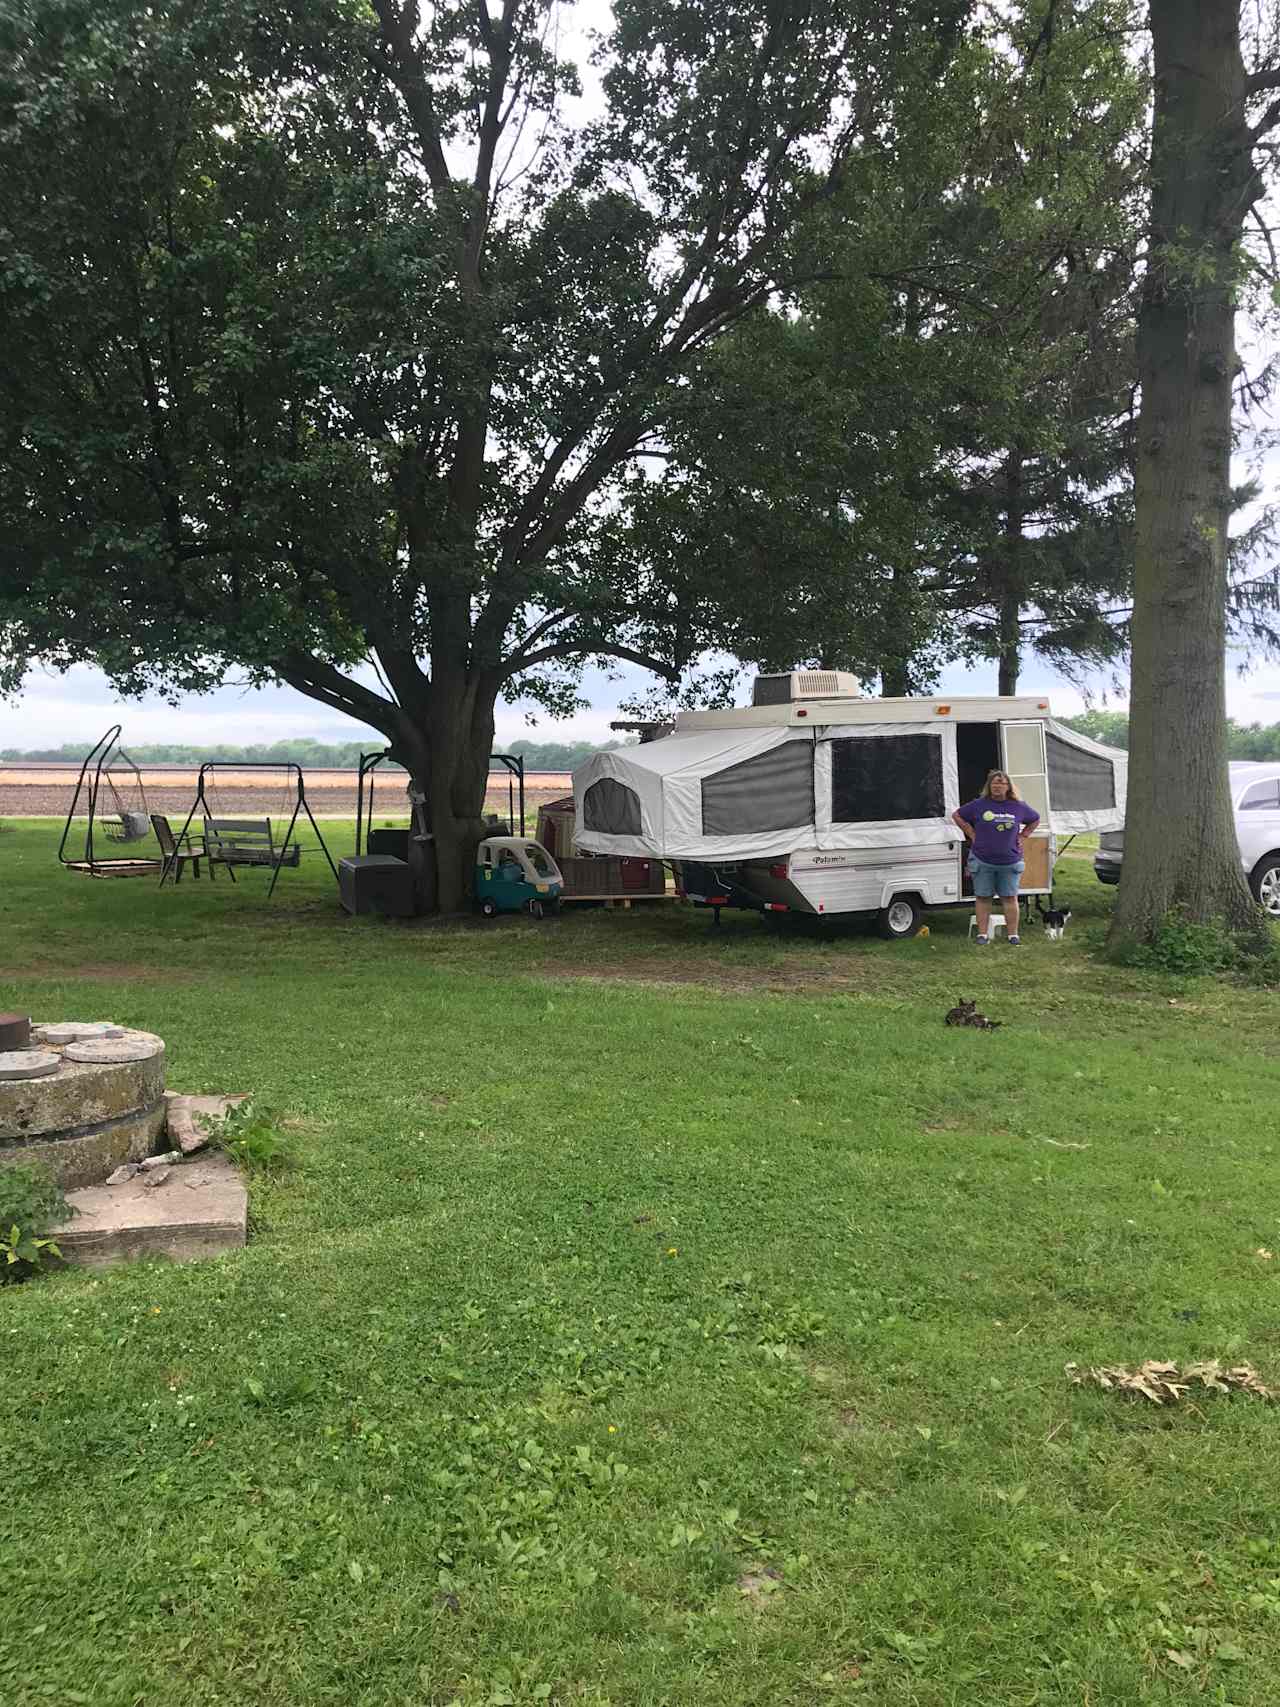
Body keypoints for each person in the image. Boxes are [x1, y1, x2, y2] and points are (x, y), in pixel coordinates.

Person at [952, 770, 1040, 945]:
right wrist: (970, 832)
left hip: (1010, 861)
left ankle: (1013, 935)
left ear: (1008, 787)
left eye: (1001, 783)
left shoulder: (1019, 806)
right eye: (994, 783)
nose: (997, 786)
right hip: (982, 859)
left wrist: (1023, 836)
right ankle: (982, 935)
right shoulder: (978, 805)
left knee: (1010, 897)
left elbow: (1035, 819)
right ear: (989, 786)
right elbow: (957, 815)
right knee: (983, 897)